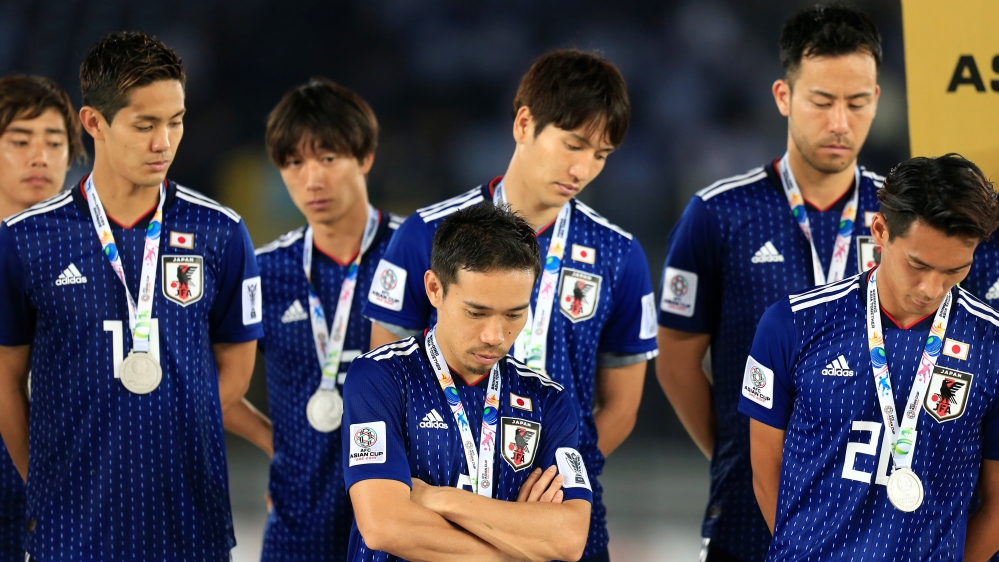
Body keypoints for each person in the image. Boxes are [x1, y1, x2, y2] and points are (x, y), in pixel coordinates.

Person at [361, 48, 657, 561]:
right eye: (573, 145)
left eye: (601, 155)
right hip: (435, 506)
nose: (583, 168)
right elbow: (388, 373)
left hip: (553, 505)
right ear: (524, 123)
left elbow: (622, 406)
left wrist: (547, 477)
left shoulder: (620, 256)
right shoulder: (424, 236)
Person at [0, 31, 263, 560]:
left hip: (192, 524)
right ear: (94, 122)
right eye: (145, 125)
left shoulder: (221, 232)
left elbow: (234, 372)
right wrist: (49, 486)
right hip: (69, 532)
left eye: (176, 121)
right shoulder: (25, 240)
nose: (163, 142)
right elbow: (5, 377)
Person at [655, 5, 884, 560]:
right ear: (783, 96)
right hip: (748, 512)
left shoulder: (901, 216)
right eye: (822, 102)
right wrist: (744, 448)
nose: (840, 123)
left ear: (876, 99)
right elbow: (675, 360)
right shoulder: (718, 214)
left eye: (857, 103)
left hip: (878, 508)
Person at [739, 154, 999, 561]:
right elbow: (765, 473)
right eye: (918, 264)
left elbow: (997, 507)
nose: (932, 288)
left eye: (955, 270)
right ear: (880, 230)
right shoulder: (791, 324)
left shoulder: (993, 345)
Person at [344, 203, 592, 561]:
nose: (495, 335)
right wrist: (519, 546)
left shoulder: (549, 401)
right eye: (476, 312)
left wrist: (439, 498)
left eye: (514, 314)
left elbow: (568, 539)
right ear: (434, 289)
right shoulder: (380, 377)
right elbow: (386, 526)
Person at [226, 76, 403, 561]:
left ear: (365, 157)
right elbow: (209, 381)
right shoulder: (265, 271)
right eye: (294, 162)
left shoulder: (414, 256)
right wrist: (274, 444)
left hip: (400, 519)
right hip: (298, 521)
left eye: (328, 158)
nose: (312, 179)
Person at [0, 74, 83, 561]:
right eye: (20, 140)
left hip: (69, 492)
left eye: (54, 141)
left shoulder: (101, 256)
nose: (40, 156)